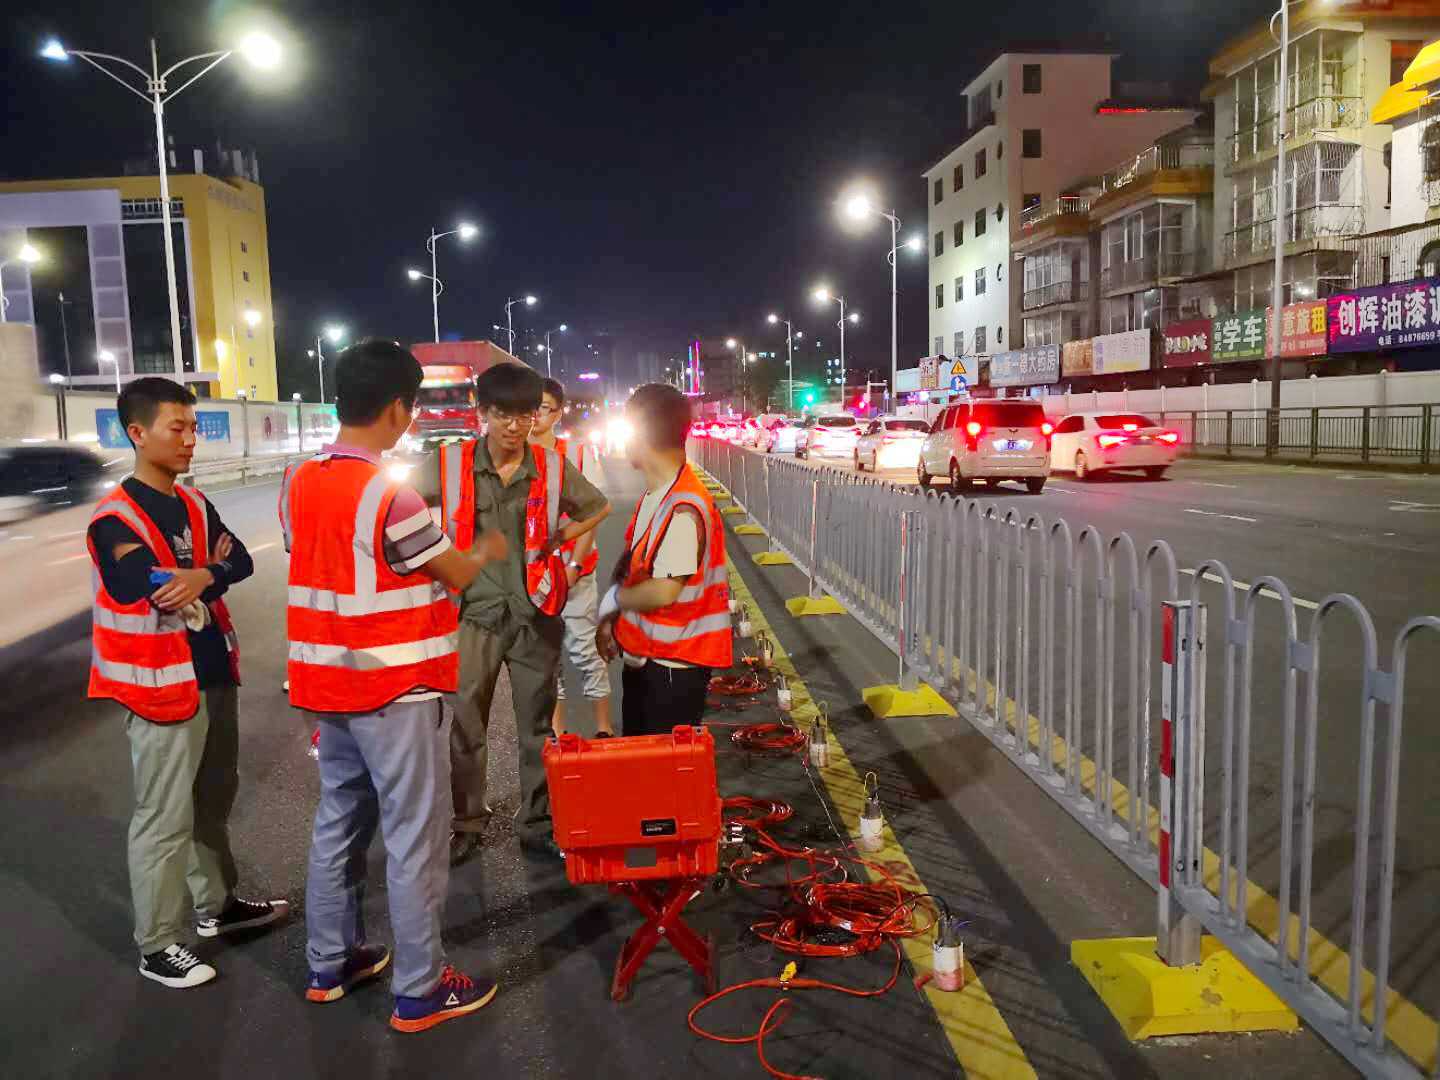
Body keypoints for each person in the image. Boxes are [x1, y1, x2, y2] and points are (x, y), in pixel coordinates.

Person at [282, 339, 508, 1032]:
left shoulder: (300, 482)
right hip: (396, 688)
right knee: (416, 837)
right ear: (397, 409)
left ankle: (330, 962)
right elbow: (457, 574)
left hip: (327, 684)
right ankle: (420, 987)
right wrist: (489, 550)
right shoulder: (390, 494)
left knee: (338, 823)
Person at [87, 377, 287, 989]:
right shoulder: (114, 516)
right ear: (137, 432)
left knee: (211, 804)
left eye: (194, 427)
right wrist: (201, 573)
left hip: (211, 672)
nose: (191, 439)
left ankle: (216, 907)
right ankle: (157, 943)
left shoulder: (195, 504)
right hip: (158, 687)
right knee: (162, 818)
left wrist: (203, 573)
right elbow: (133, 583)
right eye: (178, 427)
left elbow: (241, 562)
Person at [430, 363, 609, 865]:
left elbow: (595, 507)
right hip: (473, 617)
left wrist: (564, 542)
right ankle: (467, 821)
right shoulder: (449, 465)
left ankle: (537, 820)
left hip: (536, 615)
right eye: (503, 415)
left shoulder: (551, 467)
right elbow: (397, 508)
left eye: (525, 415)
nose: (515, 426)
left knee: (536, 726)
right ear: (481, 412)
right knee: (468, 725)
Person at [597, 384, 731, 734]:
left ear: (639, 433)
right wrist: (614, 621)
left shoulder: (685, 507)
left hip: (675, 669)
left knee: (664, 778)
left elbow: (663, 591)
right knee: (642, 767)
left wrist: (613, 599)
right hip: (648, 659)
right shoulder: (656, 497)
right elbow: (634, 567)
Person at [529, 378, 614, 738]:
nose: (535, 416)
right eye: (530, 407)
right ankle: (558, 734)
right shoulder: (514, 457)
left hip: (574, 572)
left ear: (559, 412)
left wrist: (575, 566)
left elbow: (592, 514)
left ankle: (603, 728)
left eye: (544, 408)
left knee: (583, 648)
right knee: (548, 659)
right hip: (534, 576)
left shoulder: (577, 454)